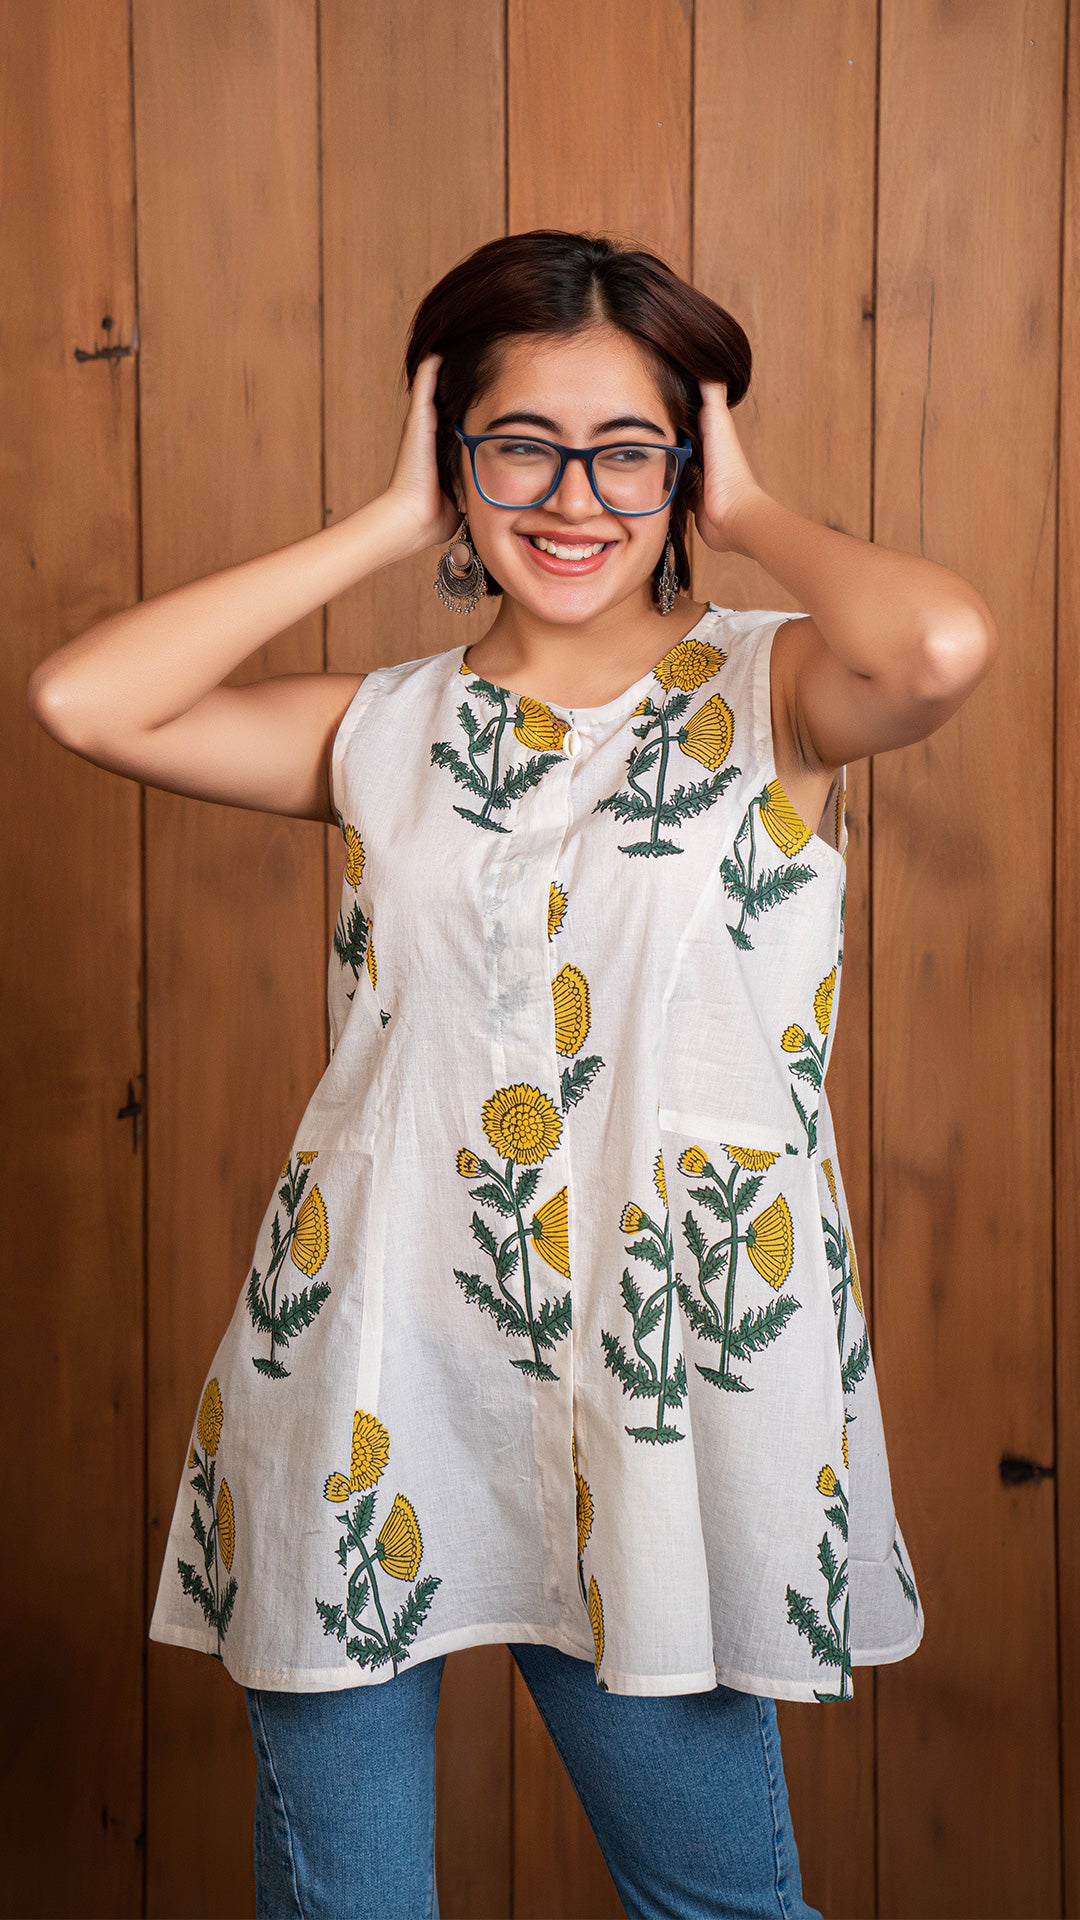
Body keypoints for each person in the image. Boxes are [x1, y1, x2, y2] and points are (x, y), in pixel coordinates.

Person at [28, 229, 997, 1920]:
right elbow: (83, 697)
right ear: (453, 457)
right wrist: (382, 524)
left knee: (719, 1907)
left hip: (654, 1395)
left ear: (687, 465)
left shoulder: (770, 694)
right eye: (520, 445)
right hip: (366, 1372)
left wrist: (746, 508)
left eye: (629, 449)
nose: (574, 495)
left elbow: (941, 648)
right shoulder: (379, 726)